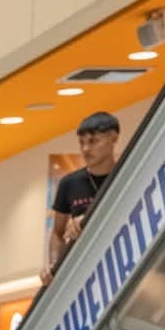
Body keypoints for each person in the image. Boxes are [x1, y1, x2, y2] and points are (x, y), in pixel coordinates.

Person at [45, 110, 120, 283]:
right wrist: (54, 264)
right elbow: (57, 233)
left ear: (113, 138)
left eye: (93, 141)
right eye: (82, 143)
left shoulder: (126, 175)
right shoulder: (69, 184)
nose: (86, 149)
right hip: (87, 269)